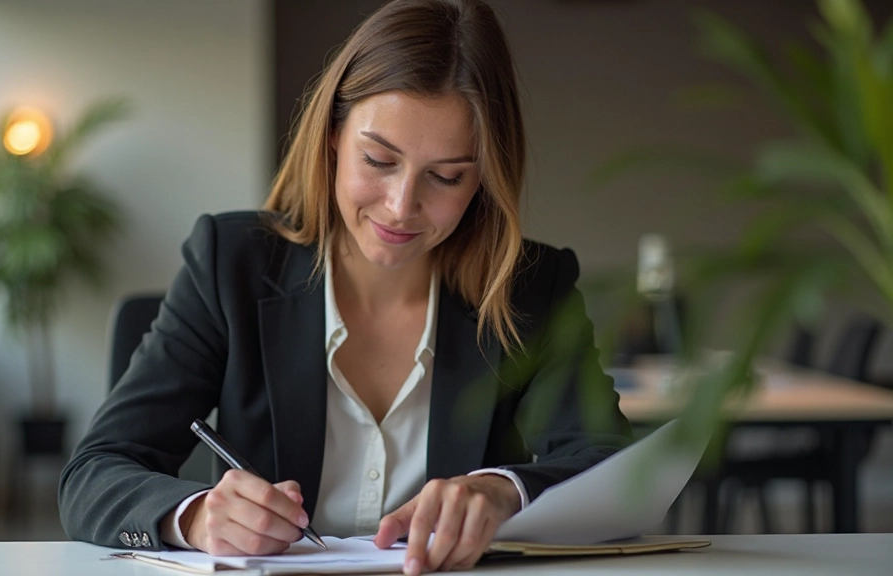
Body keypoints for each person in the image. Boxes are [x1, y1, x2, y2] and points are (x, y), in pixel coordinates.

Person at [58, 0, 632, 573]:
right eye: (378, 160)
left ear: (485, 176)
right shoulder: (229, 265)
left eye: (446, 176)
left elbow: (617, 470)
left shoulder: (529, 287)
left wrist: (504, 490)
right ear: (333, 135)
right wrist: (198, 517)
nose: (402, 206)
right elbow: (93, 474)